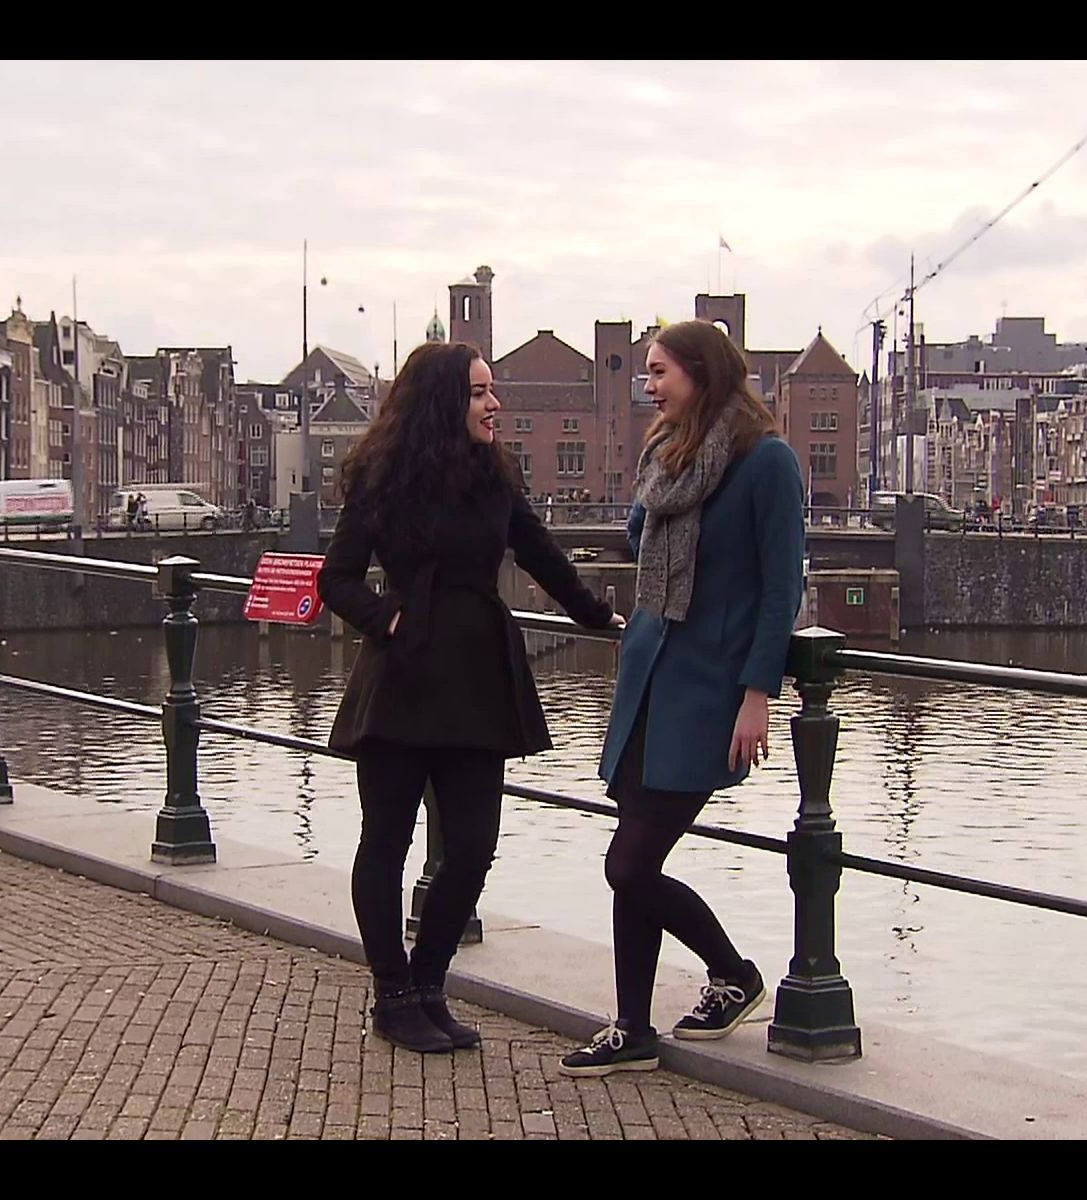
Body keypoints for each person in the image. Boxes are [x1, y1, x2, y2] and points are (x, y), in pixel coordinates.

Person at [318, 340, 624, 1054]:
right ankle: (393, 995)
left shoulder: (493, 475)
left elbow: (539, 550)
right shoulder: (382, 478)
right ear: (442, 402)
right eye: (480, 392)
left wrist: (597, 615)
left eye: (492, 390)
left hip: (477, 677)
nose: (495, 404)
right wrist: (385, 617)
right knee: (386, 842)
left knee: (474, 845)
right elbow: (336, 578)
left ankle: (429, 983)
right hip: (402, 677)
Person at [559, 319, 804, 1077]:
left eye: (660, 371)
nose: (650, 386)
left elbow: (781, 588)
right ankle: (632, 1028)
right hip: (647, 676)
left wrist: (758, 693)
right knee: (632, 856)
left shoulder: (765, 462)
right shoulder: (667, 452)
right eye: (646, 372)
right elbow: (640, 539)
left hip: (707, 687)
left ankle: (733, 973)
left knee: (629, 865)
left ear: (703, 372)